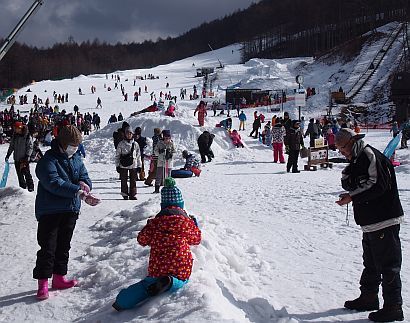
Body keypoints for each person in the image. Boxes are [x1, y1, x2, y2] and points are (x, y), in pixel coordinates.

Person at [335, 128, 404, 322]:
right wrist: (351, 186)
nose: (342, 152)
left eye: (343, 148)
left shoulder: (368, 154)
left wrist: (352, 196)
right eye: (340, 150)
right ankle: (369, 297)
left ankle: (393, 306)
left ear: (352, 142)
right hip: (371, 220)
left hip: (384, 218)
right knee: (371, 262)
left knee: (388, 265)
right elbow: (351, 182)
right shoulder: (357, 158)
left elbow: (378, 184)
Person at [112, 177, 201, 311]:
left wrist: (149, 226)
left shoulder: (155, 223)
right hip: (180, 263)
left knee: (145, 286)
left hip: (158, 265)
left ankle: (122, 302)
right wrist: (195, 224)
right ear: (181, 205)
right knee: (182, 279)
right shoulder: (185, 223)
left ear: (162, 206)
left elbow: (141, 240)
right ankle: (171, 282)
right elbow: (196, 239)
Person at [33, 125, 100, 300]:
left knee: (63, 246)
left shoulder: (76, 158)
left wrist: (85, 185)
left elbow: (84, 176)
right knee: (48, 247)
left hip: (70, 209)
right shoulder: (47, 161)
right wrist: (78, 192)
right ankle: (43, 283)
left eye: (77, 145)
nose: (75, 148)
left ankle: (59, 277)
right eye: (72, 145)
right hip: (50, 210)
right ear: (62, 144)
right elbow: (54, 183)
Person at [5, 121, 34, 191]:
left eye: (15, 128)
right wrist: (8, 154)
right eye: (14, 128)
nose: (14, 129)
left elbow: (30, 147)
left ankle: (30, 186)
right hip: (17, 159)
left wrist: (27, 156)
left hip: (24, 159)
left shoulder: (27, 136)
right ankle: (22, 187)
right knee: (19, 175)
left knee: (26, 173)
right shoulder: (15, 136)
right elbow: (11, 146)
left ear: (20, 128)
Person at [115, 127, 142, 200]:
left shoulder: (135, 144)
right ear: (125, 134)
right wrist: (117, 165)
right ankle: (125, 194)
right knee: (124, 180)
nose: (129, 135)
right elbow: (117, 155)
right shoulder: (121, 144)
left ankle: (132, 194)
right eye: (127, 133)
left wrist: (139, 166)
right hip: (123, 165)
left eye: (130, 133)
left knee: (133, 181)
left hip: (133, 165)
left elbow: (138, 155)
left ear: (132, 134)